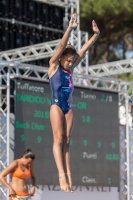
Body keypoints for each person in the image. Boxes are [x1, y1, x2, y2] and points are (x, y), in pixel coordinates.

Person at [48, 13, 100, 192]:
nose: (70, 63)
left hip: (68, 107)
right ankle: (61, 175)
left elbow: (84, 49)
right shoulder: (53, 66)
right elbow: (62, 45)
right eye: (68, 60)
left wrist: (96, 35)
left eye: (72, 61)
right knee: (59, 138)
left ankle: (68, 176)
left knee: (68, 141)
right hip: (56, 105)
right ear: (61, 57)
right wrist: (70, 28)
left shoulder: (71, 68)